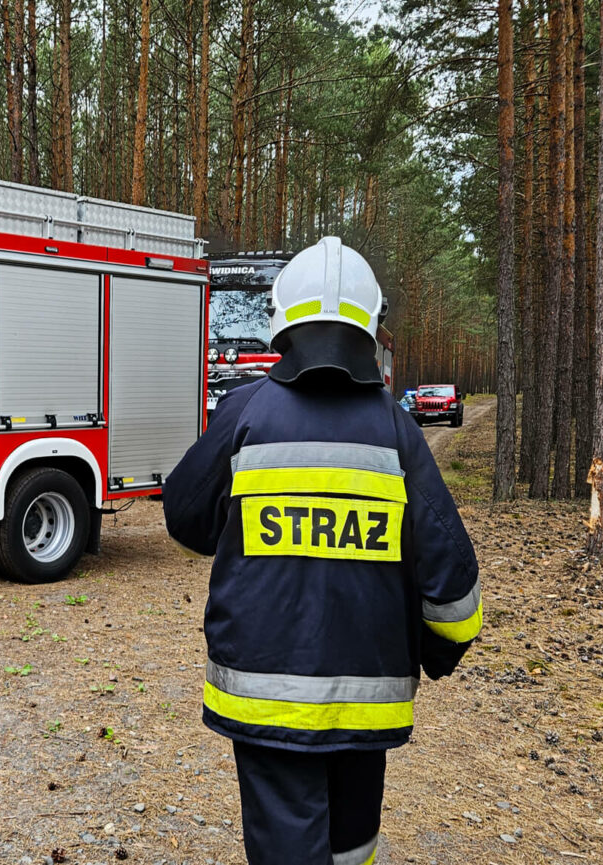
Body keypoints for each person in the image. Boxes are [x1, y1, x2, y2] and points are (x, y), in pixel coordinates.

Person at [163, 237, 482, 865]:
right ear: (371, 328)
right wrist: (434, 652)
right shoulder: (397, 430)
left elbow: (185, 517)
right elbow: (454, 590)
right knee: (352, 843)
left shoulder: (245, 412)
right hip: (367, 700)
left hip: (261, 693)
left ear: (282, 322)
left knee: (288, 845)